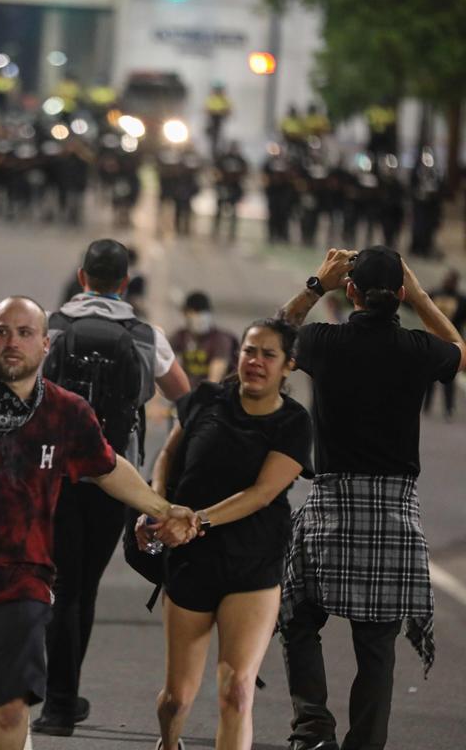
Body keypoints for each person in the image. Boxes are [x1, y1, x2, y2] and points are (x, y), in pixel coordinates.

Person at [0, 296, 200, 750]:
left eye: (25, 333)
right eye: (2, 331)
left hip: (22, 585)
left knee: (10, 712)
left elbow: (108, 467)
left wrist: (163, 508)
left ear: (46, 344)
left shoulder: (67, 413)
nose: (12, 342)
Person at [278, 247, 466, 750]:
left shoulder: (322, 341)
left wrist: (318, 285)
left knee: (297, 618)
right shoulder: (418, 349)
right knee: (376, 648)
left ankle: (313, 726)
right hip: (393, 513)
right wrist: (423, 297)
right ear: (400, 296)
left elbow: (277, 334)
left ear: (352, 291)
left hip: (332, 506)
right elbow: (459, 349)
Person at [34, 239, 190, 737]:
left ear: (82, 277)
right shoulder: (147, 337)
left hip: (53, 473)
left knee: (59, 583)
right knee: (84, 587)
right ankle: (64, 694)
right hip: (116, 478)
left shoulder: (49, 327)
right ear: (125, 282)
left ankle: (58, 702)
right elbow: (187, 401)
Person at [139, 318, 313, 750]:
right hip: (190, 562)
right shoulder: (206, 399)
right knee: (176, 699)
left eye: (268, 355)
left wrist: (195, 521)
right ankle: (169, 743)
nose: (255, 361)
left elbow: (261, 493)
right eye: (249, 351)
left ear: (288, 365)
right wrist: (158, 508)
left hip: (253, 564)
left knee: (237, 689)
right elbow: (168, 456)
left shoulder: (294, 422)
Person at [169, 291, 239, 390]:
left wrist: (205, 399)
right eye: (194, 312)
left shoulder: (221, 339)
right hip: (190, 393)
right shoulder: (180, 337)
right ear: (185, 314)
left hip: (216, 395)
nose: (199, 317)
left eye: (203, 312)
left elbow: (215, 375)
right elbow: (164, 364)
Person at [423, 269, 466, 420]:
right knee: (429, 376)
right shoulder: (435, 293)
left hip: (451, 341)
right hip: (433, 339)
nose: (448, 281)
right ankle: (426, 405)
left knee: (449, 376)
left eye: (452, 280)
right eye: (447, 278)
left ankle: (449, 408)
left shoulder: (461, 299)